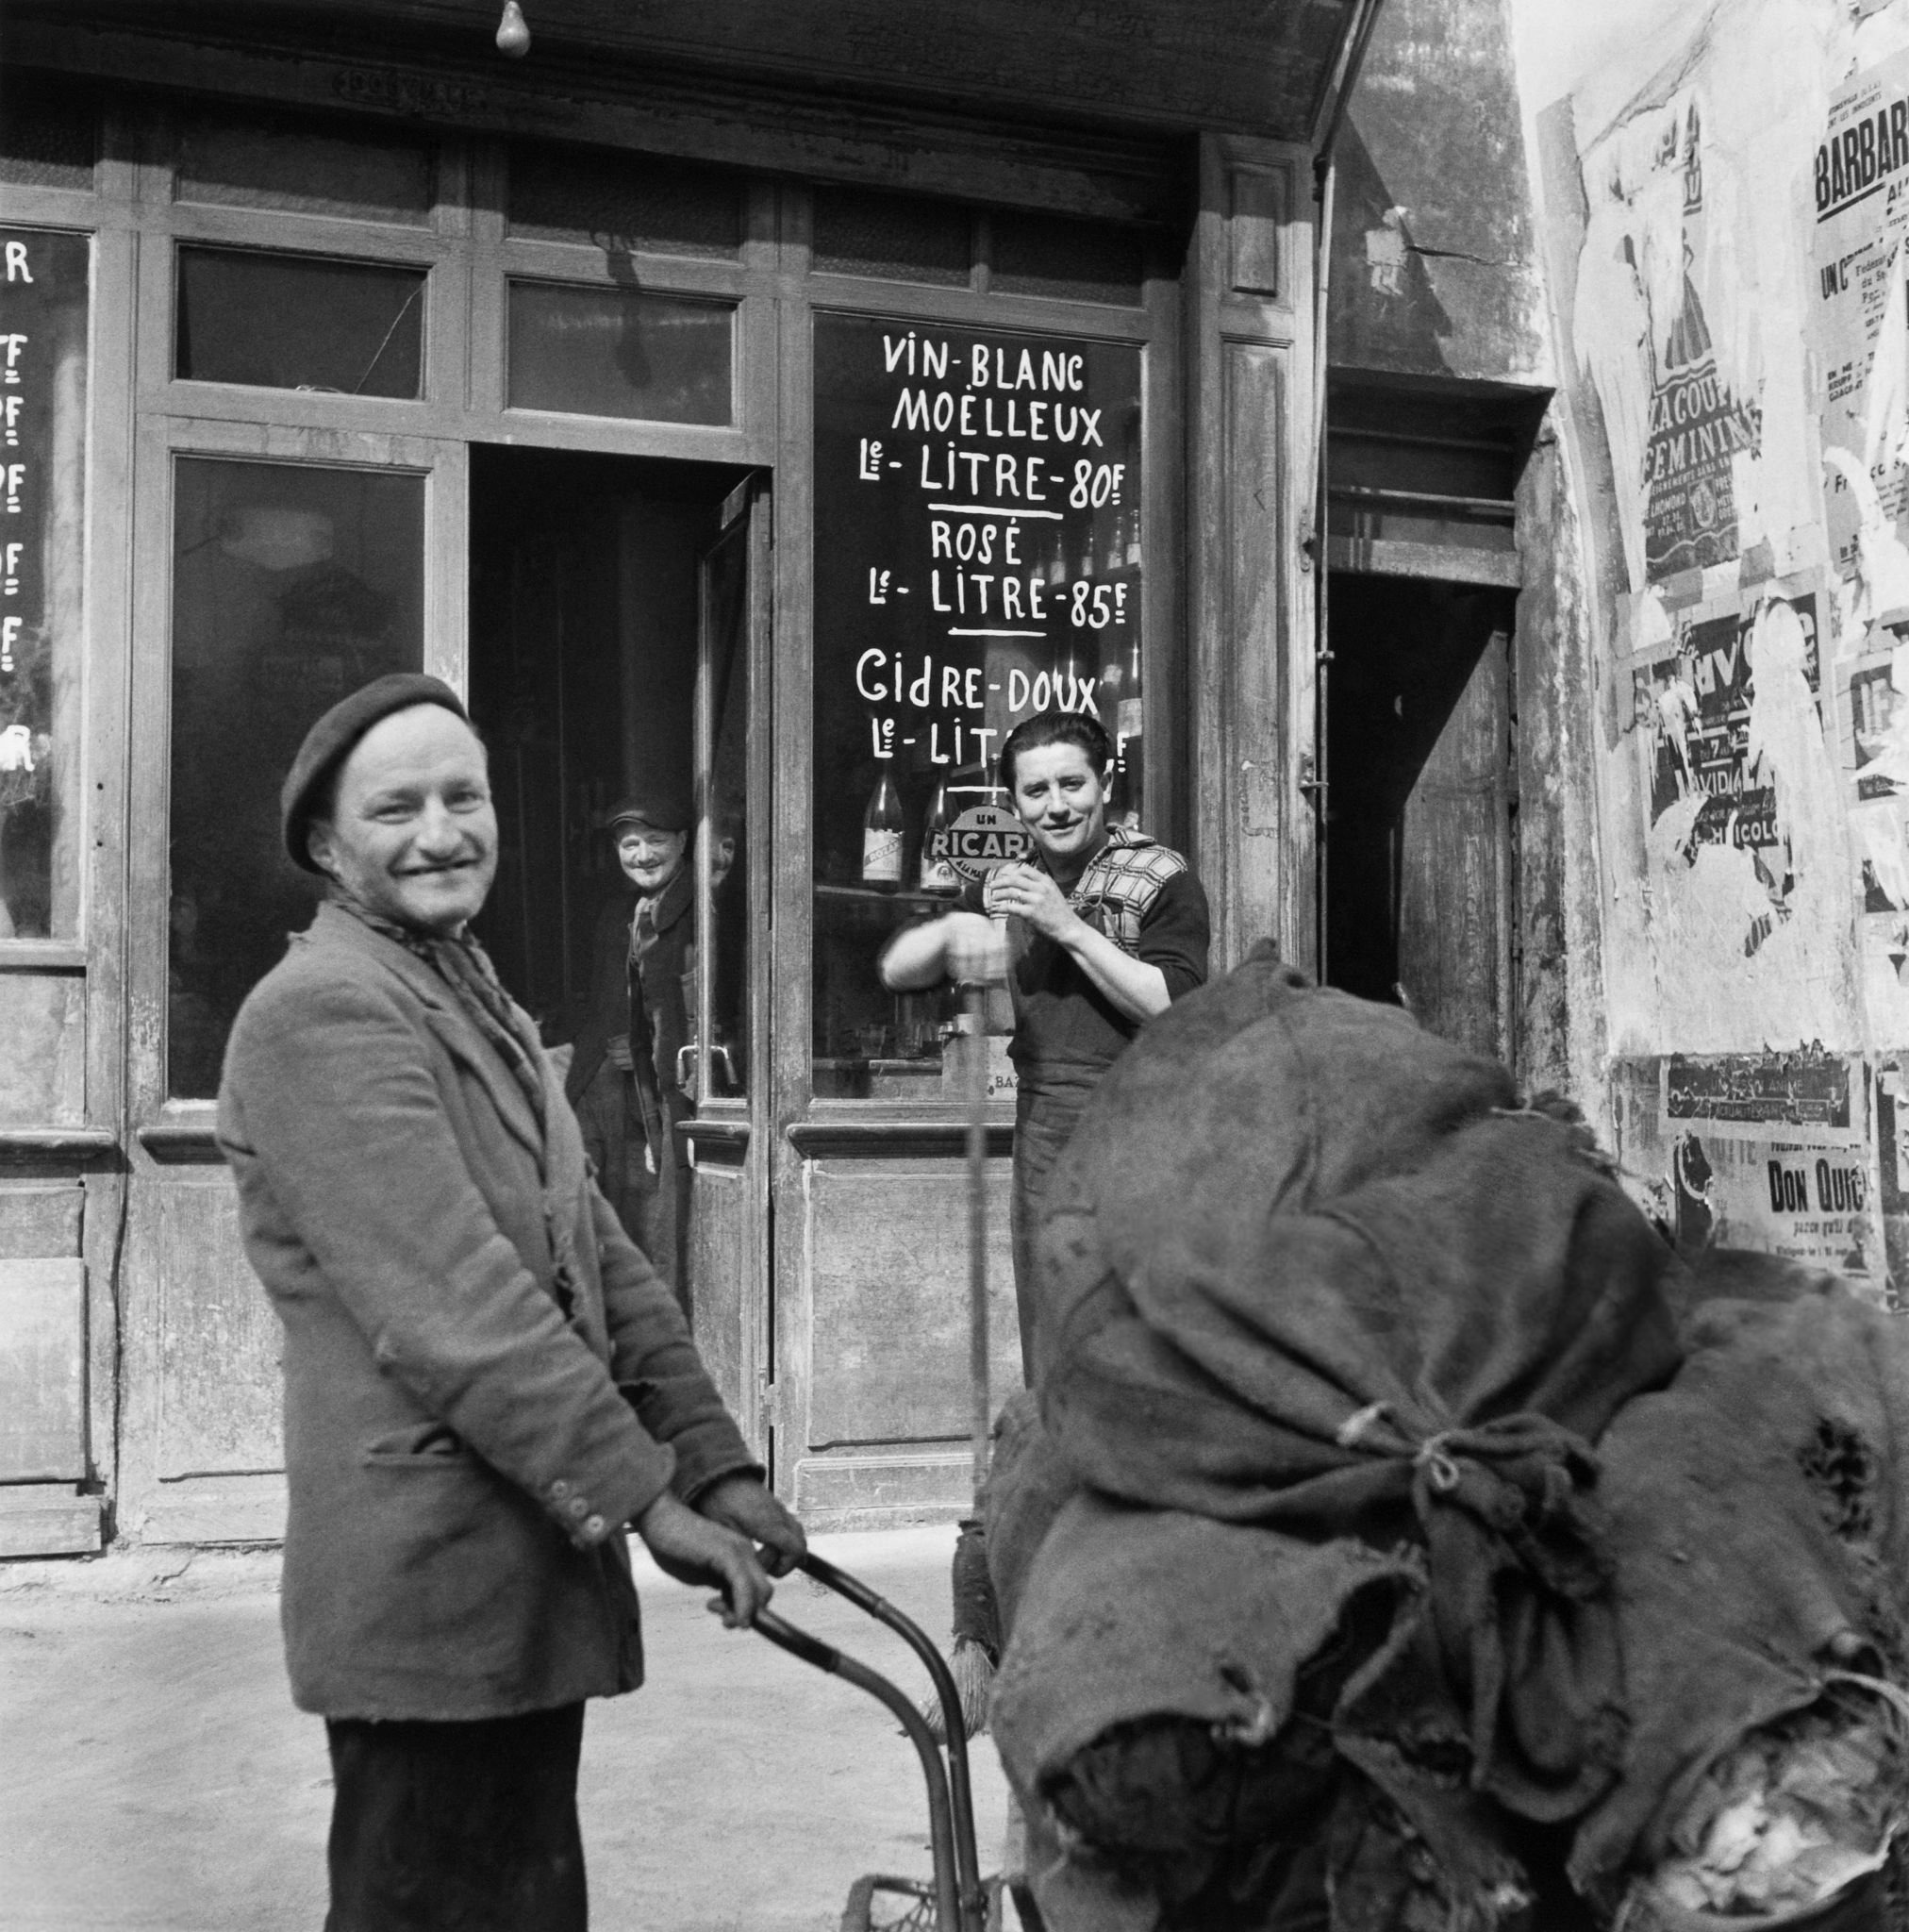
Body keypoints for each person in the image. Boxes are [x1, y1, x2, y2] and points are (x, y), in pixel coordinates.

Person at [216, 674, 805, 1932]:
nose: (442, 831)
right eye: (396, 808)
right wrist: (642, 1495)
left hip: (516, 1582)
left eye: (464, 796)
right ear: (326, 847)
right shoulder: (321, 1012)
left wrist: (713, 1468)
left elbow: (597, 1261)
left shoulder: (459, 984)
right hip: (426, 1596)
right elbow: (457, 1309)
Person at [880, 708, 1210, 1383]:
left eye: (1071, 784)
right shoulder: (1006, 880)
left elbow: (1174, 1005)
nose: (1056, 807)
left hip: (1144, 1123)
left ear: (1105, 783)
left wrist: (1068, 927)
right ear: (1015, 803)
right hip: (1045, 1128)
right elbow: (896, 970)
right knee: (1052, 1325)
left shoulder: (1158, 875)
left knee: (1132, 1329)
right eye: (1036, 792)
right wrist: (945, 937)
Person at [566, 790, 696, 1301]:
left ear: (684, 840)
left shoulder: (703, 913)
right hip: (616, 1083)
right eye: (630, 844)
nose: (642, 855)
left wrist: (643, 1049)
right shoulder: (622, 911)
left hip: (676, 1091)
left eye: (656, 840)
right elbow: (609, 999)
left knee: (662, 1221)